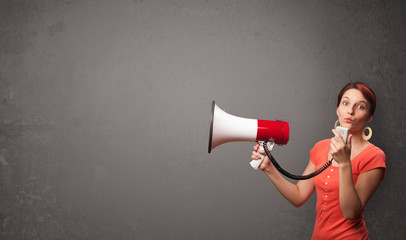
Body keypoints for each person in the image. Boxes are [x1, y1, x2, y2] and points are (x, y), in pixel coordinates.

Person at [251, 82, 386, 240]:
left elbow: (351, 212)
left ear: (369, 116)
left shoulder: (374, 156)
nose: (350, 111)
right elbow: (299, 196)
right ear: (337, 109)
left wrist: (344, 163)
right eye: (345, 103)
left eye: (360, 106)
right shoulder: (321, 147)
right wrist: (268, 168)